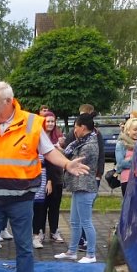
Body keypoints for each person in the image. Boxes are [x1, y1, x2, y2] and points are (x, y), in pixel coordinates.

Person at [0, 82, 88, 272]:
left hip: (20, 198)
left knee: (24, 246)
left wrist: (67, 164)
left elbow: (50, 151)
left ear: (8, 101)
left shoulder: (31, 123)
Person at [54, 113, 100, 263]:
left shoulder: (90, 145)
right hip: (78, 186)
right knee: (74, 222)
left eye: (76, 127)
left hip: (85, 186)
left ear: (83, 127)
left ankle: (91, 254)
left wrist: (57, 152)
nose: (74, 130)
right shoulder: (81, 142)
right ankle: (72, 251)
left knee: (86, 221)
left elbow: (71, 161)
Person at [41, 111, 65, 244]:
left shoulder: (59, 137)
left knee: (55, 206)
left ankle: (54, 231)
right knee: (42, 206)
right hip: (43, 176)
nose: (50, 124)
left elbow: (65, 155)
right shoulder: (39, 137)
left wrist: (61, 148)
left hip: (57, 176)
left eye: (52, 121)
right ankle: (40, 231)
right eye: (47, 121)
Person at [116, 117, 137, 196]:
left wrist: (129, 160)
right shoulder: (121, 144)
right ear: (128, 130)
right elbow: (121, 163)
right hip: (127, 180)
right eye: (135, 130)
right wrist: (135, 159)